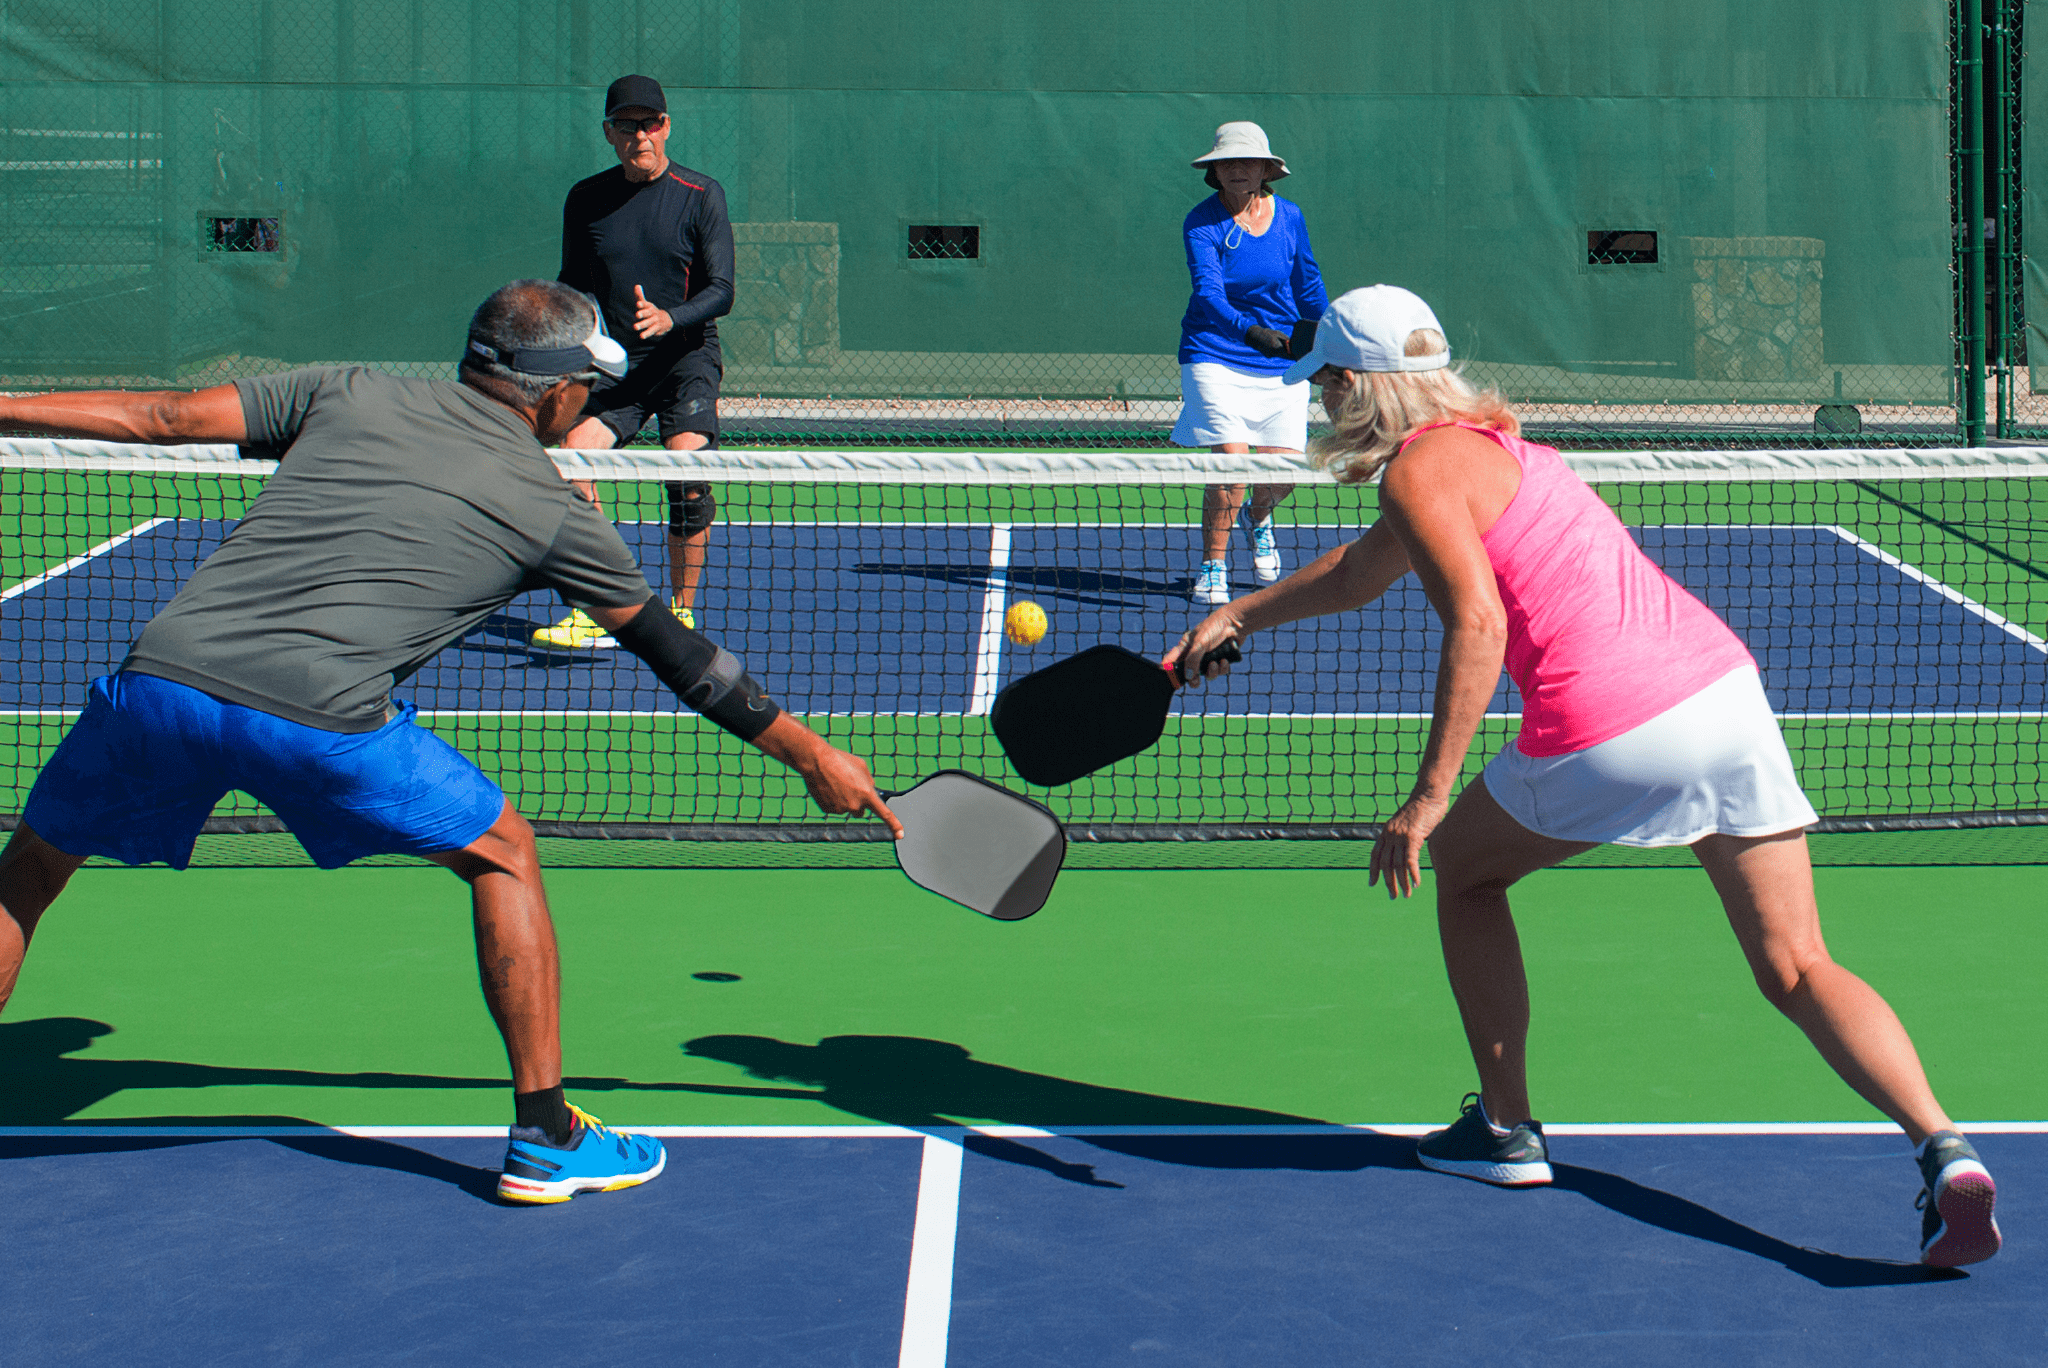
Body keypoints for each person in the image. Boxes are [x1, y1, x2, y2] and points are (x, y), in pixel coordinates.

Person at [0, 279, 903, 1204]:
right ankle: (547, 1136)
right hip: (320, 716)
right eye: (585, 386)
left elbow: (160, 416)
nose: (588, 402)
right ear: (555, 391)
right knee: (504, 851)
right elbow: (684, 659)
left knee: (30, 866)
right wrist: (813, 755)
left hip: (161, 682)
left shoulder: (347, 390)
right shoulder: (556, 512)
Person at [1165, 285, 2002, 1268]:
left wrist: (1426, 799)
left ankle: (1506, 1130)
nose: (1321, 402)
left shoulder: (1418, 474)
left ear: (1354, 385)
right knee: (1796, 964)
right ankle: (1941, 1148)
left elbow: (1476, 625)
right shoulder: (1496, 453)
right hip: (1723, 696)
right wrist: (1236, 617)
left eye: (1327, 385)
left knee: (1467, 871)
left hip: (1610, 723)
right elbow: (1358, 572)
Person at [535, 73, 736, 649]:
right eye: (628, 126)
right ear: (610, 133)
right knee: (573, 462)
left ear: (666, 128)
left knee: (687, 477)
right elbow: (572, 284)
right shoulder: (586, 198)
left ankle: (681, 611)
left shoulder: (701, 196)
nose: (641, 135)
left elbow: (722, 290)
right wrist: (565, 340)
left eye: (650, 124)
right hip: (618, 370)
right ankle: (598, 608)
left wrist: (672, 318)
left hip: (685, 363)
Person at [1173, 121, 1328, 606]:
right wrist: (1251, 332)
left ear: (1266, 170)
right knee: (1233, 466)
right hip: (1214, 353)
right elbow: (1209, 294)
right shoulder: (1201, 223)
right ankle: (1213, 566)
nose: (1237, 169)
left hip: (1281, 360)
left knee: (1280, 474)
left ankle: (1258, 518)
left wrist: (1326, 337)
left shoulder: (1290, 217)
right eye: (1227, 162)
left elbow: (1307, 281)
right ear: (1214, 171)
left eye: (1247, 162)